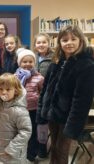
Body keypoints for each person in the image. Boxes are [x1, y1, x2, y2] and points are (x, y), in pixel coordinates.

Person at [36, 25, 94, 164]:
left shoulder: (86, 65)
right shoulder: (56, 62)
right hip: (52, 114)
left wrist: (72, 125)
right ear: (59, 43)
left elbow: (81, 100)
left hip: (68, 118)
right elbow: (45, 89)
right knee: (54, 148)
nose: (69, 43)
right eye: (65, 40)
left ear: (81, 40)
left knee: (62, 152)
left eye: (73, 39)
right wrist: (41, 111)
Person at [15, 49, 44, 162]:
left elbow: (43, 93)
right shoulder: (15, 77)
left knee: (32, 133)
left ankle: (31, 155)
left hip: (33, 110)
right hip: (19, 111)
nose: (27, 64)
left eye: (30, 61)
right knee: (19, 133)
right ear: (19, 63)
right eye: (24, 61)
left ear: (34, 63)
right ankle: (19, 153)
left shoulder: (39, 77)